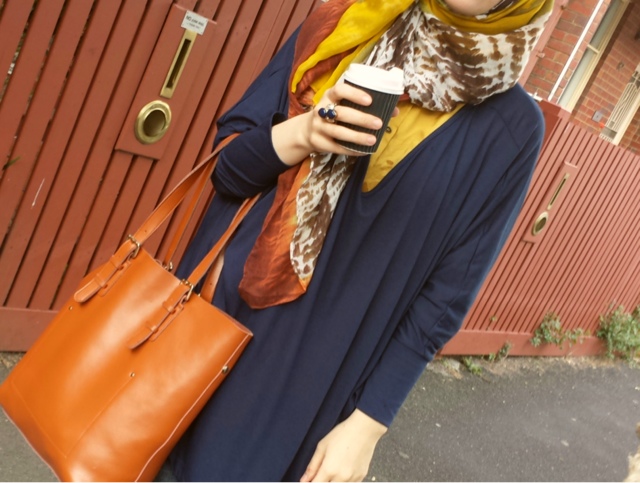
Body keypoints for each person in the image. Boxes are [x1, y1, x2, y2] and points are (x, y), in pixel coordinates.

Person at [164, 0, 553, 480]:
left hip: (306, 392)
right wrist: (306, 131)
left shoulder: (511, 130)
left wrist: (368, 424)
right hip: (204, 324)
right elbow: (228, 170)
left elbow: (444, 300)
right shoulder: (347, 23)